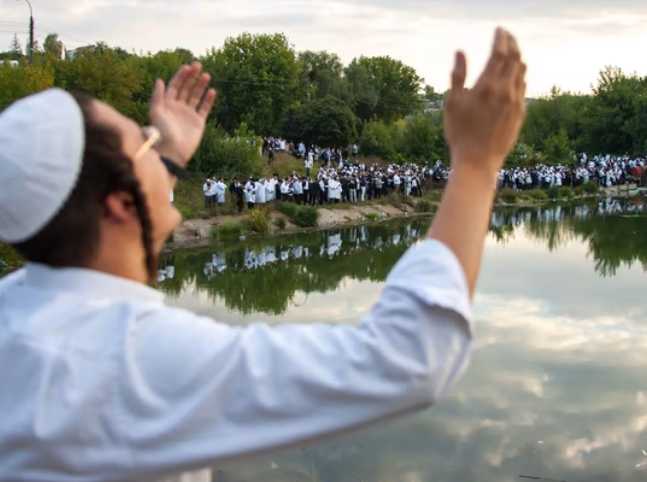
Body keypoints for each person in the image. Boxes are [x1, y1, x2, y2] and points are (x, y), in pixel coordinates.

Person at [0, 28, 526, 482]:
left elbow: (116, 248)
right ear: (118, 203)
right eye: (145, 140)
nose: (157, 143)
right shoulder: (137, 362)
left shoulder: (18, 313)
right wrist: (477, 164)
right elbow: (410, 357)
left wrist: (166, 156)